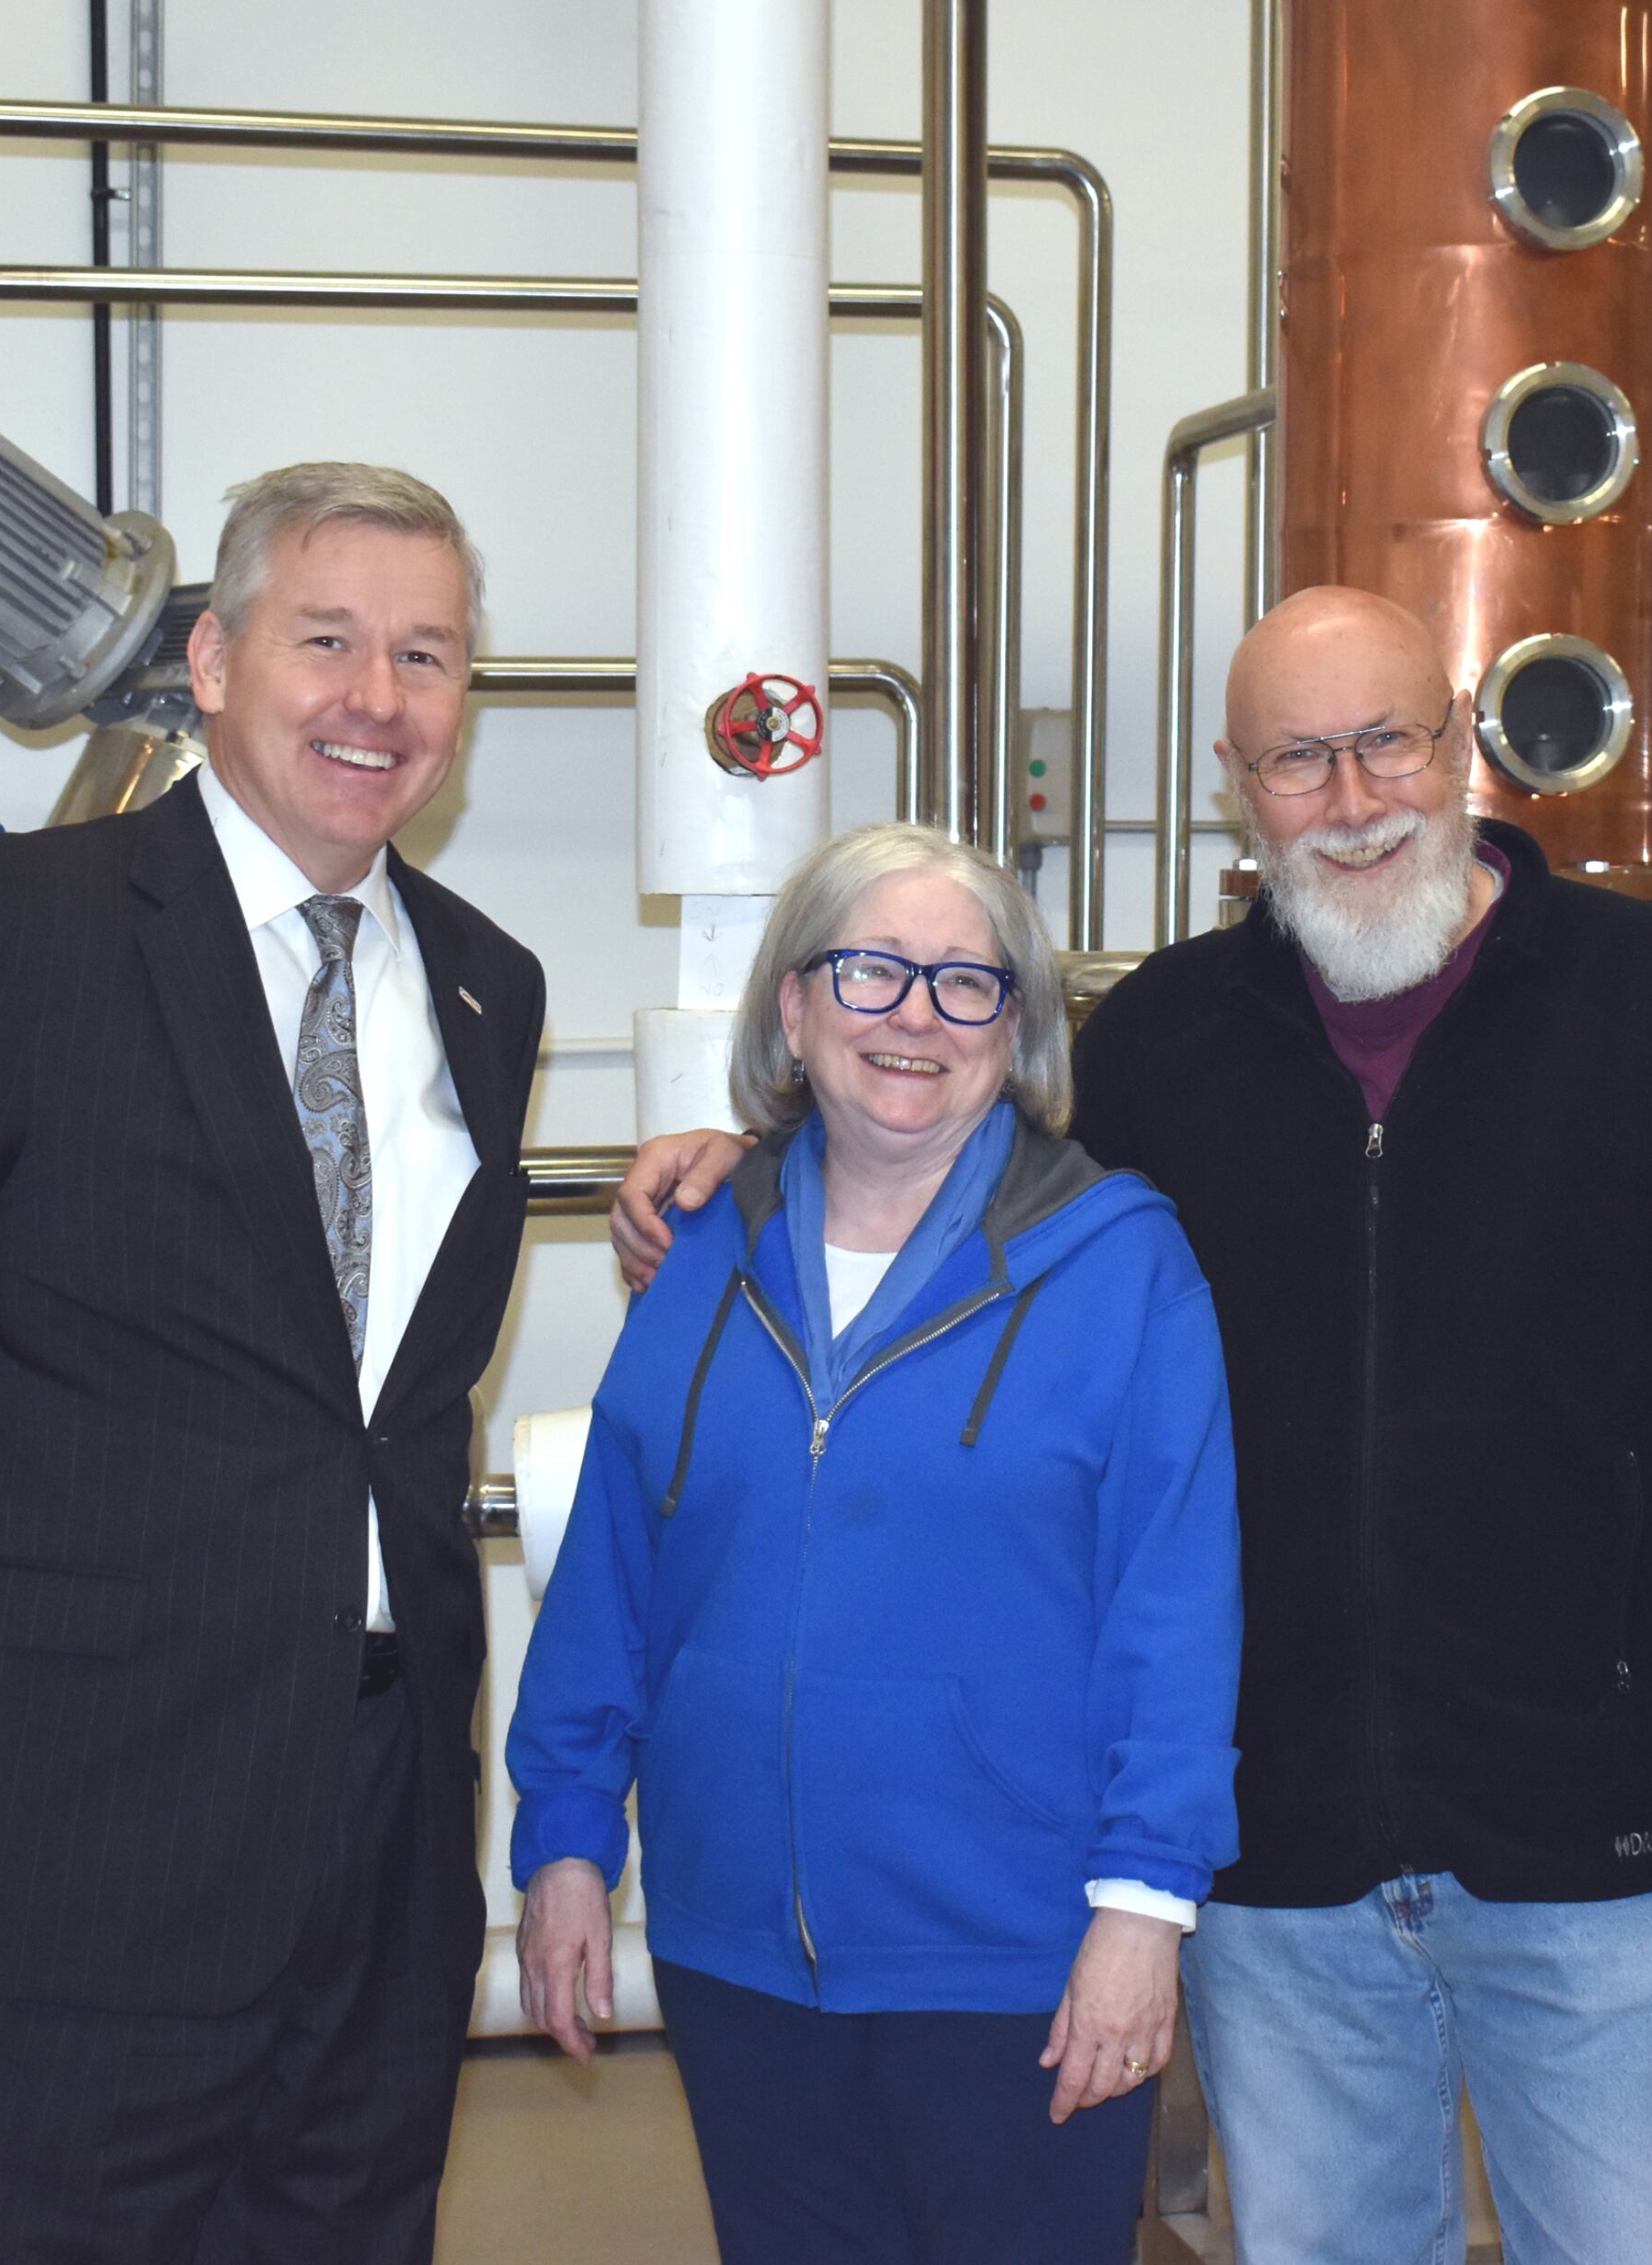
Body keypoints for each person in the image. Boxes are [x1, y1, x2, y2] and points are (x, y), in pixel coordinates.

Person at [611, 589, 1652, 2265]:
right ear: (1233, 787)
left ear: (1462, 740)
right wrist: (734, 1172)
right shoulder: (1163, 1046)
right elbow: (941, 1174)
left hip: (1587, 1824)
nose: (1352, 801)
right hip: (1277, 1854)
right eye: (1297, 761)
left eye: (1386, 743)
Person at [0, 462, 547, 2265]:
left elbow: (385, 1399)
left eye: (427, 654)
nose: (378, 698)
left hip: (378, 1816)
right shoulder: (19, 932)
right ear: (213, 658)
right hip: (70, 1824)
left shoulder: (490, 986)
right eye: (327, 639)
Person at [514, 822, 1242, 2265]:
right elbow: (612, 1568)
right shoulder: (703, 1248)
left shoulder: (1120, 1262)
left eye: (967, 984)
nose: (915, 1016)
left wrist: (1143, 1914)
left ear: (1015, 1032)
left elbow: (1177, 1607)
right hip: (739, 1959)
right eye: (869, 972)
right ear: (792, 1008)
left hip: (1015, 1964)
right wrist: (566, 1843)